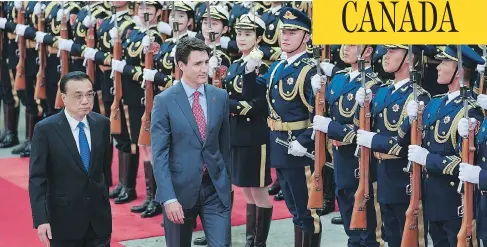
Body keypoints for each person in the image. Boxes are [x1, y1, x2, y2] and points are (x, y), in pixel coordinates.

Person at [243, 7, 320, 246]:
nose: (285, 36)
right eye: (283, 31)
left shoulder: (310, 70)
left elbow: (320, 116)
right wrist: (247, 71)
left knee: (308, 211)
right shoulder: (277, 66)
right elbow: (254, 94)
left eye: (293, 32)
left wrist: (305, 141)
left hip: (300, 150)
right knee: (294, 209)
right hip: (279, 145)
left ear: (306, 37)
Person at [151, 36, 232, 247]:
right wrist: (168, 198)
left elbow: (224, 145)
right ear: (181, 65)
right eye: (197, 64)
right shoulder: (164, 101)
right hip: (179, 191)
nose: (204, 68)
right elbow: (159, 154)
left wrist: (226, 181)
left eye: (206, 62)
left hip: (215, 188)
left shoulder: (220, 96)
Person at [405, 45, 484, 246]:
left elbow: (465, 163)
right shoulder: (435, 103)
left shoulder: (471, 111)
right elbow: (410, 142)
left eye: (445, 62)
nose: (438, 67)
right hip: (432, 197)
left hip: (454, 201)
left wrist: (427, 159)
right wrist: (410, 120)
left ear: (459, 71)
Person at [354, 45, 433, 247]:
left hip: (404, 176)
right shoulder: (382, 91)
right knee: (389, 235)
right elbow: (362, 127)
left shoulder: (419, 96)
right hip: (381, 173)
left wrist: (372, 140)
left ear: (409, 58)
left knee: (410, 237)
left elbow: (404, 143)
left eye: (392, 52)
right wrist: (360, 107)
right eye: (386, 51)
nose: (385, 56)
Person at [311, 44, 385, 247]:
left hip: (359, 157)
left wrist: (331, 127)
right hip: (339, 154)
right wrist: (316, 92)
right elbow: (320, 113)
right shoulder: (339, 78)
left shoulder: (374, 85)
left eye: (352, 45)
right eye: (344, 44)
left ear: (367, 51)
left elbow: (364, 130)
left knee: (365, 214)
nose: (345, 49)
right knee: (344, 203)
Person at [28, 71, 112, 247]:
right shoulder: (46, 129)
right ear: (64, 98)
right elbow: (37, 178)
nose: (85, 101)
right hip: (63, 222)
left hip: (98, 222)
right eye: (78, 95)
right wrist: (41, 219)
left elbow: (104, 169)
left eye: (89, 95)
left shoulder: (102, 124)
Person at [221, 13, 273, 247]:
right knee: (247, 190)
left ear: (259, 38)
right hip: (237, 133)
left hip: (254, 135)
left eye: (248, 34)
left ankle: (258, 242)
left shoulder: (260, 67)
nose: (242, 38)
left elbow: (258, 106)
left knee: (259, 190)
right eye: (239, 33)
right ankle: (251, 239)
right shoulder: (234, 65)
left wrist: (226, 104)